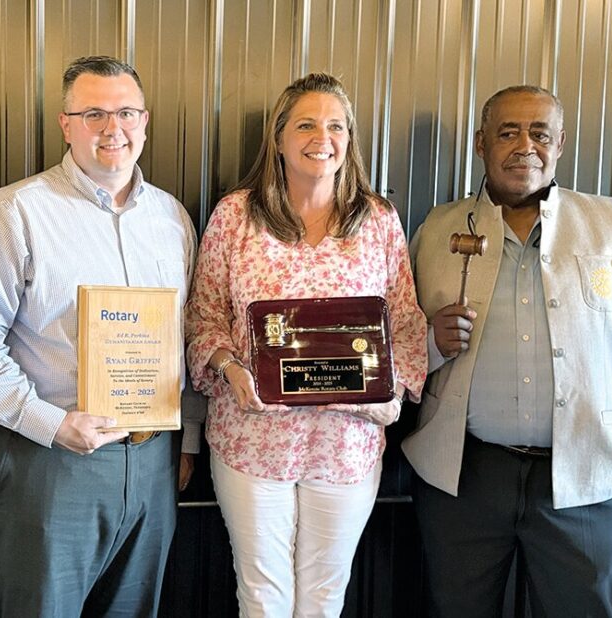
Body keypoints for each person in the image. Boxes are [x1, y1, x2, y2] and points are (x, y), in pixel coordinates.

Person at [0, 55, 198, 617]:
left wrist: (189, 440)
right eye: (94, 113)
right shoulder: (13, 213)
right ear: (66, 124)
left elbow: (185, 338)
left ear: (145, 121)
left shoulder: (173, 219)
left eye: (126, 112)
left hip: (153, 463)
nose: (113, 128)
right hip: (49, 464)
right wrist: (51, 425)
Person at [404, 85, 612, 617]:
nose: (524, 145)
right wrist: (431, 346)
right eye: (507, 132)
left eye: (539, 133)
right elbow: (394, 350)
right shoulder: (436, 230)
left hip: (588, 480)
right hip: (462, 480)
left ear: (561, 144)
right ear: (481, 144)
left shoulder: (610, 224)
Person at [185, 73, 427, 616]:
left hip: (347, 445)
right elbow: (204, 315)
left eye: (336, 125)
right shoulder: (234, 217)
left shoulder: (379, 220)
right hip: (253, 440)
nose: (323, 136)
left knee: (324, 597)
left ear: (350, 138)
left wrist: (394, 394)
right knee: (263, 597)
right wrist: (227, 366)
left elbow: (406, 322)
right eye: (307, 124)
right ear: (279, 137)